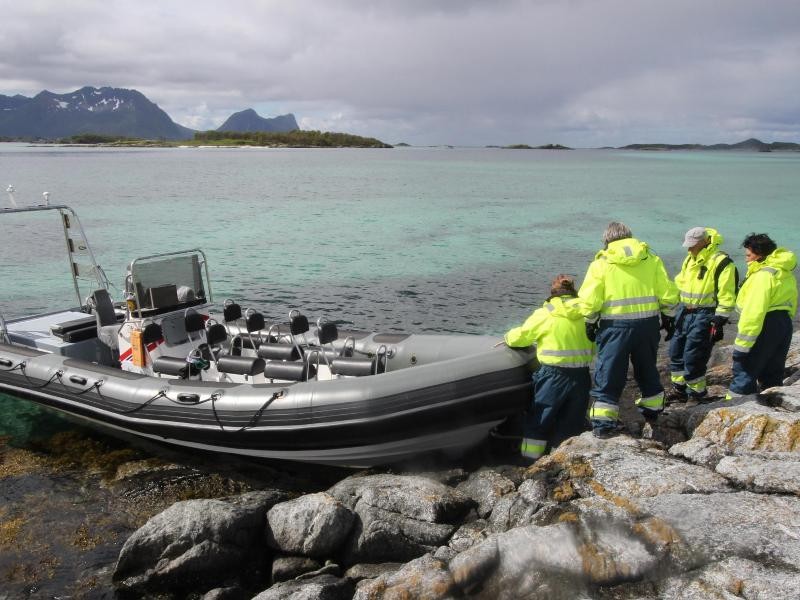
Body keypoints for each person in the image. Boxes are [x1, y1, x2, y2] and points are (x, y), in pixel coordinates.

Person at [577, 222, 679, 437]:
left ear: (607, 241)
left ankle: (604, 427)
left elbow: (590, 298)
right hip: (648, 324)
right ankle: (653, 412)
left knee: (609, 372)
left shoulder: (602, 263)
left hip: (615, 327)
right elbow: (667, 291)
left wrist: (590, 320)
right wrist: (669, 316)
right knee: (647, 367)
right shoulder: (650, 258)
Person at [504, 274, 594, 461]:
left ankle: (529, 461)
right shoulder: (587, 314)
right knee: (572, 422)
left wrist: (507, 337)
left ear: (552, 293)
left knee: (539, 419)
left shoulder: (545, 313)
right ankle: (565, 460)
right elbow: (596, 343)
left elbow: (522, 337)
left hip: (553, 375)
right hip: (581, 374)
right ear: (573, 292)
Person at [667, 227, 738, 402]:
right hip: (684, 311)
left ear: (705, 242)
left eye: (692, 245)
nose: (689, 248)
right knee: (675, 352)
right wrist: (667, 309)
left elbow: (727, 294)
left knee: (695, 355)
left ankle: (697, 394)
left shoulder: (722, 262)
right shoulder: (689, 259)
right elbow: (679, 284)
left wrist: (720, 319)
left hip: (704, 314)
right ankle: (679, 389)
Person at [727, 233, 797, 399]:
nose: (746, 259)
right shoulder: (783, 271)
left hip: (766, 323)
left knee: (745, 370)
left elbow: (754, 312)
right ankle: (771, 402)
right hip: (784, 323)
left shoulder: (762, 276)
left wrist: (742, 347)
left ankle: (735, 408)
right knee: (773, 371)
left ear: (759, 254)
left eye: (748, 255)